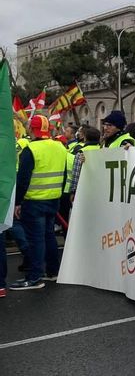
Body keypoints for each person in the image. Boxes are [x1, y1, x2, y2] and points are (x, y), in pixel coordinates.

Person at [10, 115, 68, 290]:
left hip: (34, 201)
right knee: (49, 236)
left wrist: (17, 202)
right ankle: (52, 271)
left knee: (36, 240)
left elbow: (23, 179)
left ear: (31, 130)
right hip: (53, 199)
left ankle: (34, 277)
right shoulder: (59, 147)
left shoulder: (31, 149)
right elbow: (64, 174)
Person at [68, 126, 102, 202]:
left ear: (85, 138)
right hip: (99, 188)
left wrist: (73, 191)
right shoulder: (103, 150)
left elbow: (76, 174)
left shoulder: (81, 152)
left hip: (84, 188)